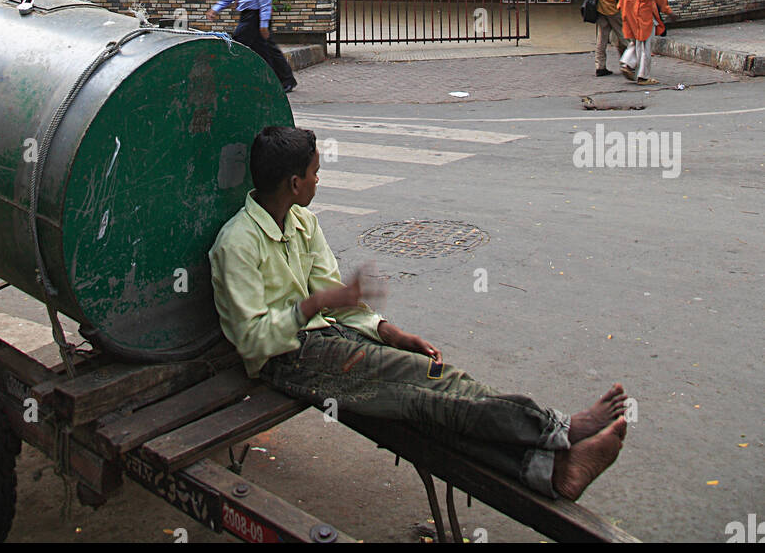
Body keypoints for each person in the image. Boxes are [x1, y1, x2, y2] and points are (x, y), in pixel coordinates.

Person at [209, 125, 628, 503]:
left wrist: (390, 333)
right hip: (285, 360)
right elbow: (253, 341)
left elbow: (335, 299)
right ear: (295, 182)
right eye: (316, 173)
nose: (320, 180)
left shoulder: (303, 223)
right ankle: (559, 430)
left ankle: (551, 469)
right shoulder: (237, 245)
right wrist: (314, 306)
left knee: (435, 392)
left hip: (328, 337)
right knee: (430, 391)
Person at [211, 0, 297, 93]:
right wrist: (217, 8)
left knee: (238, 43)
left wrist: (264, 23)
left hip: (256, 16)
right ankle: (284, 80)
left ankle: (234, 79)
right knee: (266, 50)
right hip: (247, 15)